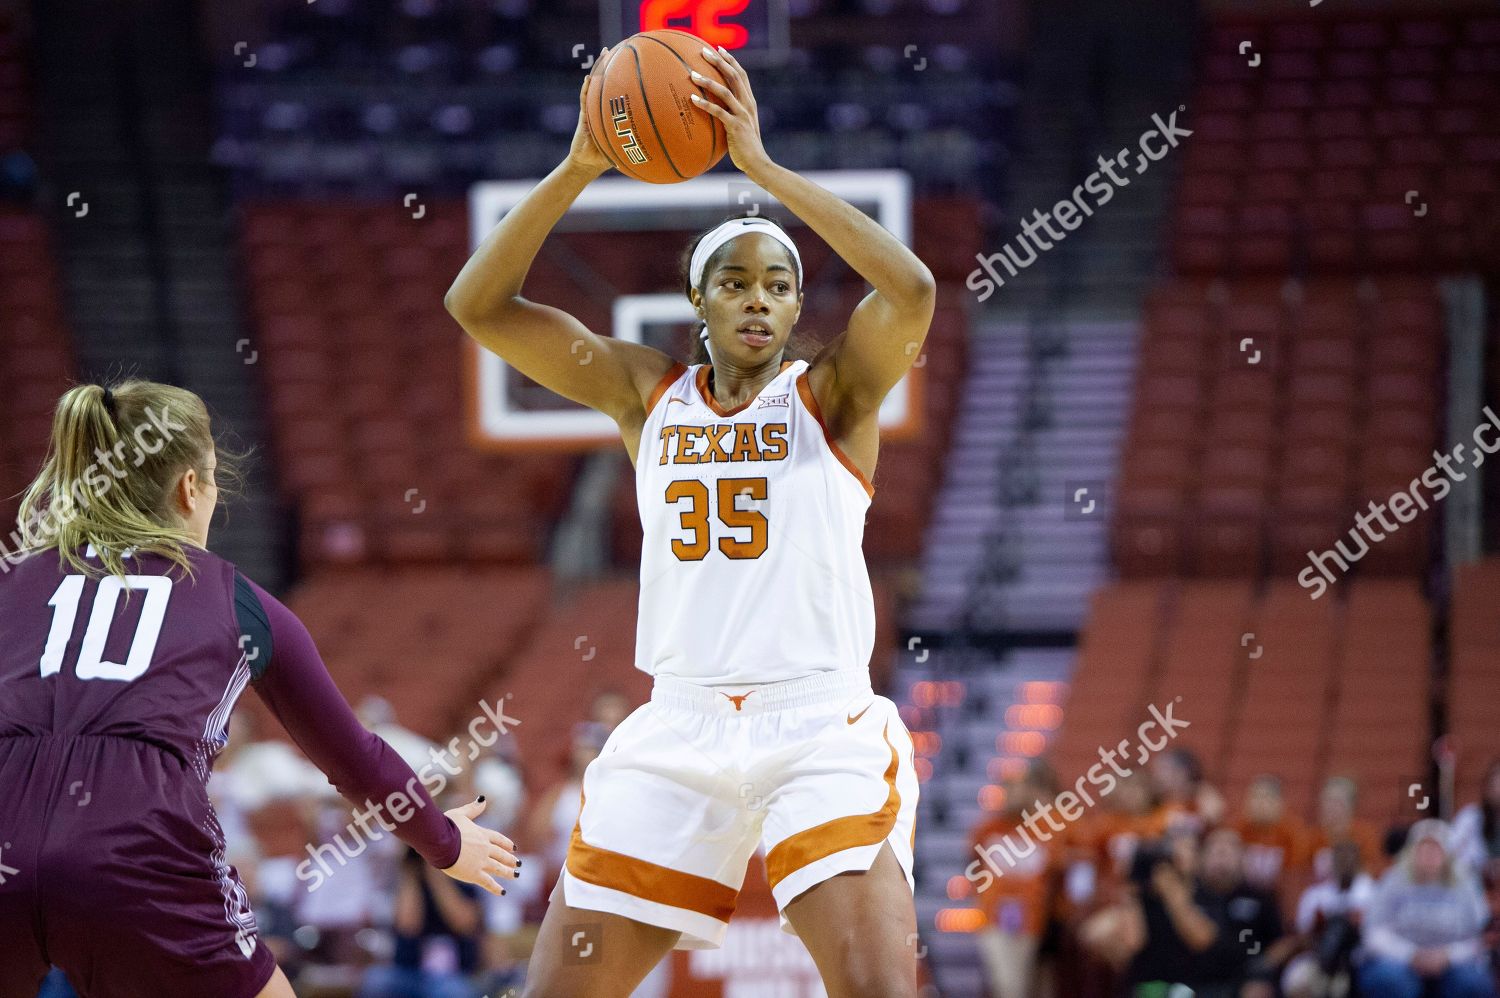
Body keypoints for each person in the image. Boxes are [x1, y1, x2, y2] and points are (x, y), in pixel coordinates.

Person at [445, 42, 934, 998]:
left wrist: (763, 169)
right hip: (679, 728)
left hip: (818, 726)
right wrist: (580, 165)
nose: (760, 298)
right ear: (698, 298)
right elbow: (478, 304)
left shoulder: (832, 395)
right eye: (738, 280)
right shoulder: (644, 394)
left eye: (781, 285)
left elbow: (912, 291)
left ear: (797, 309)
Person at [0, 381, 518, 998]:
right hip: (134, 857)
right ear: (190, 487)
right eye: (214, 479)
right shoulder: (234, 599)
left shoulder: (17, 578)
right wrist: (446, 842)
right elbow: (355, 759)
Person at [1357, 819, 1496, 998]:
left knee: (1473, 983)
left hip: (1453, 963)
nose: (1430, 854)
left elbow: (1481, 934)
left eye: (1436, 848)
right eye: (1424, 848)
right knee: (1388, 980)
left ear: (1447, 853)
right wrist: (1411, 955)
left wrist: (1448, 956)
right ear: (1412, 851)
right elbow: (1373, 932)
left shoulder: (1465, 882)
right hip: (1400, 961)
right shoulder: (1394, 879)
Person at [1281, 840, 1376, 998]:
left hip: (1359, 959)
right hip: (1319, 958)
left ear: (1359, 862)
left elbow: (1375, 934)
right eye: (1340, 858)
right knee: (1297, 980)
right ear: (1332, 861)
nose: (1345, 862)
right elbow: (1302, 935)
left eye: (1350, 858)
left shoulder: (1372, 892)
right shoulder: (1316, 895)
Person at [1451, 758, 1500, 884]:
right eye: (1496, 781)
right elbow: (1451, 855)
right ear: (1487, 788)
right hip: (1475, 889)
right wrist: (1481, 867)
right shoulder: (1470, 818)